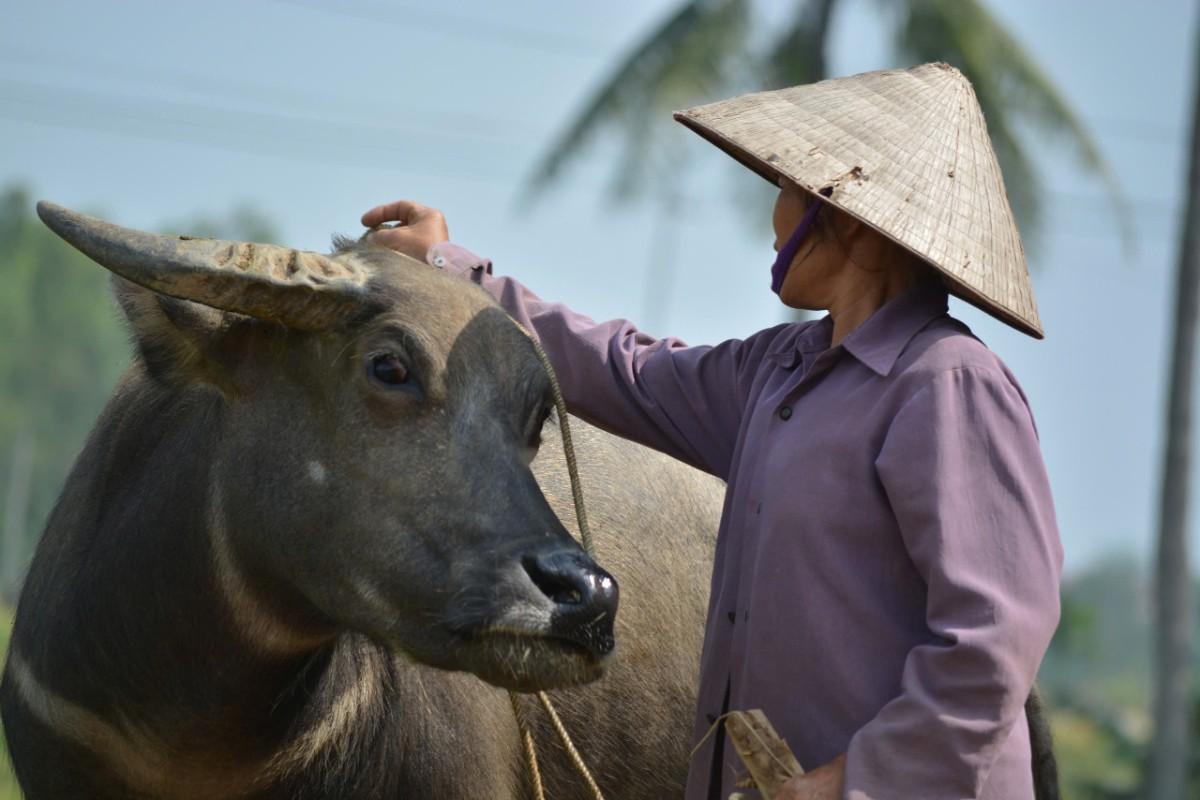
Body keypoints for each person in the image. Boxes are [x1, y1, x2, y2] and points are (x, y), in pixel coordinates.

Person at [362, 63, 1063, 800]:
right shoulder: (780, 371)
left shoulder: (949, 383)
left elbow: (991, 644)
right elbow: (621, 368)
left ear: (847, 215)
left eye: (789, 193)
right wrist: (452, 269)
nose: (775, 219)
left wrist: (853, 782)